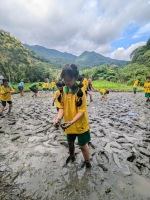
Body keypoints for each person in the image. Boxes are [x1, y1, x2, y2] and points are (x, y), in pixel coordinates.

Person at [53, 64, 91, 168]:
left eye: (69, 79)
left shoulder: (80, 92)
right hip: (68, 124)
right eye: (65, 79)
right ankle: (72, 156)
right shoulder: (62, 91)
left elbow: (81, 111)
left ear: (76, 78)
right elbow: (62, 108)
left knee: (83, 146)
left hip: (80, 124)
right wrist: (58, 119)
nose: (67, 82)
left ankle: (87, 162)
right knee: (70, 142)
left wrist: (71, 122)